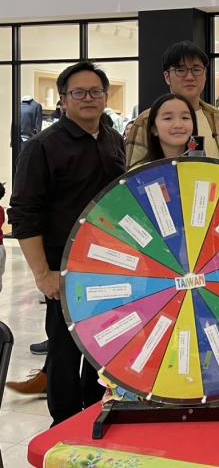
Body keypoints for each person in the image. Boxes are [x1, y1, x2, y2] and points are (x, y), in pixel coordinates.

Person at [8, 61, 125, 424]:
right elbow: (24, 212)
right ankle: (64, 423)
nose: (88, 98)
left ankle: (94, 413)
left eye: (95, 91)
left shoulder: (111, 138)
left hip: (109, 260)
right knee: (64, 347)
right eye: (79, 92)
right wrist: (43, 273)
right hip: (64, 262)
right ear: (63, 100)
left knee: (102, 342)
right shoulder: (43, 147)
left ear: (106, 97)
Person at [126, 41, 219, 168]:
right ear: (167, 76)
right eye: (181, 70)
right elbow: (133, 174)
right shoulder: (146, 120)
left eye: (196, 69)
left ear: (205, 75)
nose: (190, 77)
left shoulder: (217, 116)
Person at [130, 94, 198, 169]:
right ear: (154, 129)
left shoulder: (205, 167)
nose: (178, 125)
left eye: (185, 117)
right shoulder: (140, 173)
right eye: (168, 118)